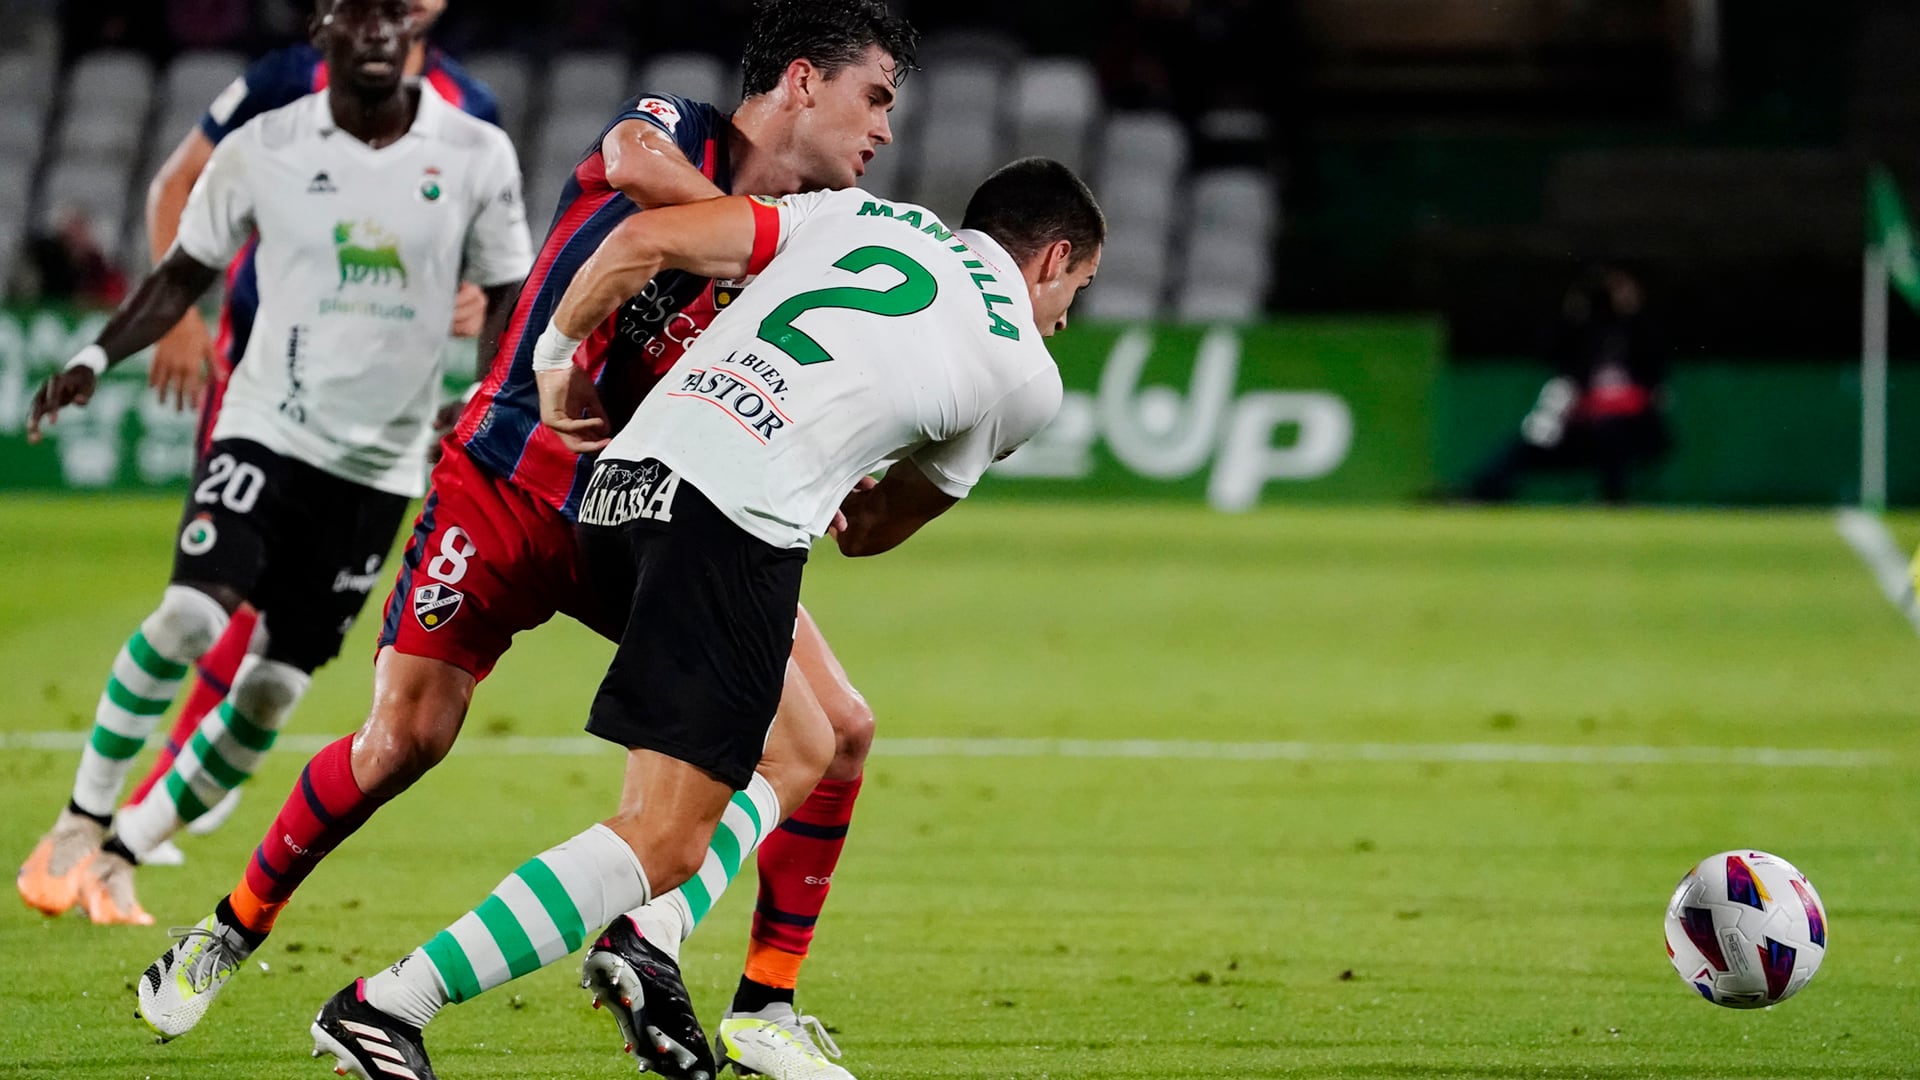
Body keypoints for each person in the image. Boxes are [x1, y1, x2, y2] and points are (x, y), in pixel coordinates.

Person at [135, 5, 916, 1078]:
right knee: (403, 741)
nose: (884, 128)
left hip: (642, 514)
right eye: (874, 96)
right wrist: (746, 252)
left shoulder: (821, 226)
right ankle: (228, 930)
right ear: (799, 81)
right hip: (504, 479)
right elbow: (632, 163)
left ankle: (730, 983)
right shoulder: (679, 131)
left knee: (828, 730)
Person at [309, 154, 1103, 1080]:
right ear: (1052, 260)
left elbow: (641, 237)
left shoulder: (856, 215)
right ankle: (387, 1005)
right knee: (664, 838)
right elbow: (874, 531)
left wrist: (556, 361)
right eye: (1076, 291)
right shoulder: (1026, 372)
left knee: (809, 740)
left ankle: (657, 942)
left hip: (619, 479)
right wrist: (854, 469)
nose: (1065, 314)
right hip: (730, 519)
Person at [15, 0, 530, 927]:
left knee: (272, 688)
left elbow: (507, 292)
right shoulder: (266, 130)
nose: (377, 27)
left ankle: (126, 848)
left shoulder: (475, 140)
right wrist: (96, 356)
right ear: (323, 26)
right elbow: (182, 263)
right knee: (188, 612)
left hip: (380, 465)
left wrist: (483, 370)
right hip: (266, 420)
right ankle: (78, 822)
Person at [124, 0, 499, 857]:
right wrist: (177, 313)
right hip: (264, 371)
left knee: (278, 601)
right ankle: (161, 792)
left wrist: (474, 296)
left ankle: (174, 786)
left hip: (377, 400)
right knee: (230, 581)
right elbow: (175, 183)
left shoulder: (470, 107)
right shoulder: (289, 78)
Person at [1467, 264, 1672, 504]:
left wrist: (1631, 312)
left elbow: (1656, 386)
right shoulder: (1587, 335)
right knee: (1526, 442)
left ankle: (1614, 500)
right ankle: (1483, 492)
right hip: (1582, 426)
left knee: (1610, 432)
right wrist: (1575, 313)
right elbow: (1552, 353)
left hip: (1632, 427)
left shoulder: (1641, 334)